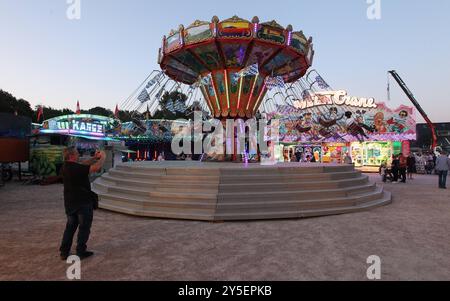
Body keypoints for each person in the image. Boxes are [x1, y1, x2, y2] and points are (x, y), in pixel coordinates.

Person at [59, 147, 106, 260]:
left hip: (70, 202)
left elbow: (82, 165)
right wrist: (103, 157)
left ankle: (64, 252)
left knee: (70, 228)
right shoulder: (76, 168)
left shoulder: (65, 166)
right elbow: (97, 167)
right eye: (76, 153)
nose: (78, 154)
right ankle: (81, 251)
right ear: (71, 156)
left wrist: (94, 158)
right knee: (84, 228)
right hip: (82, 202)